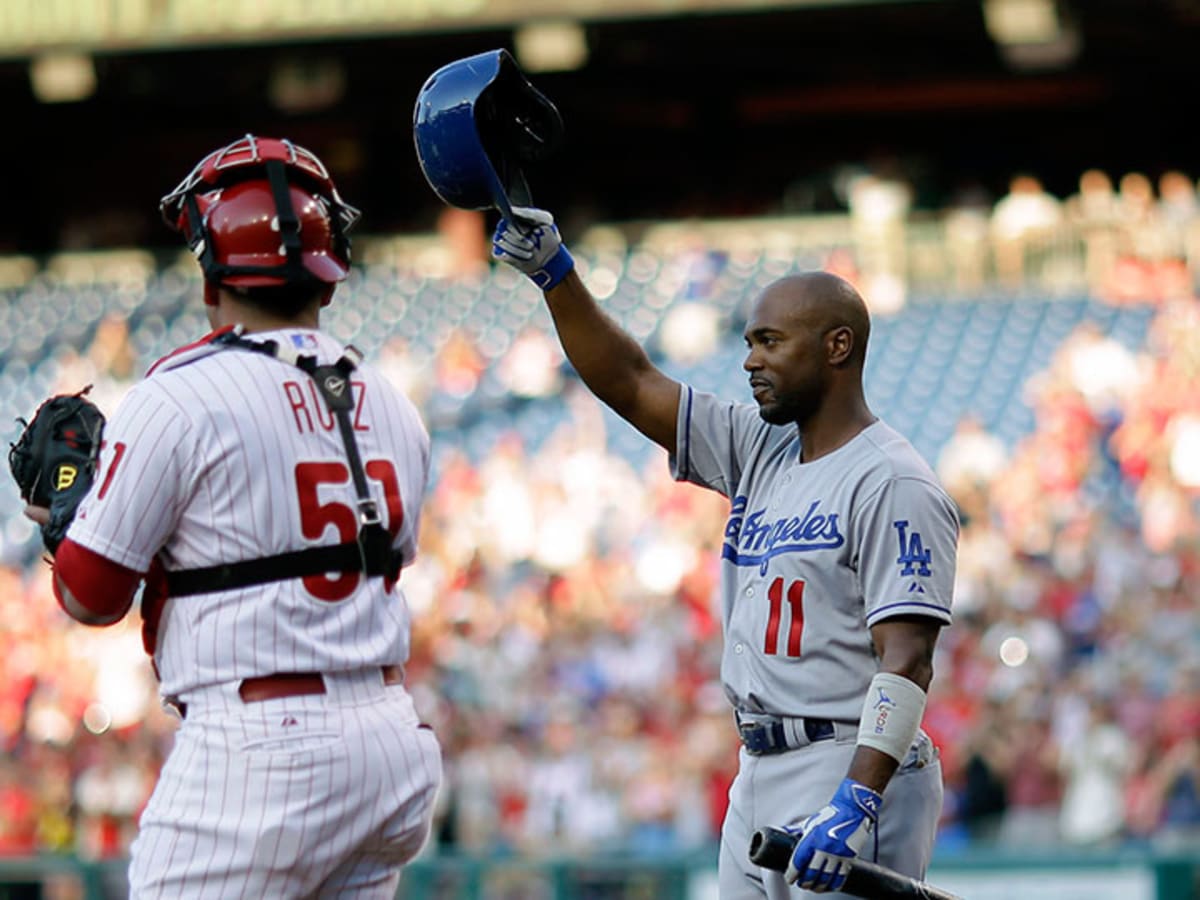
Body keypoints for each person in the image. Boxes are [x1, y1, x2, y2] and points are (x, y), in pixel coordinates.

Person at [491, 209, 958, 897]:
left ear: (836, 346)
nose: (750, 360)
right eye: (748, 341)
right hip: (758, 768)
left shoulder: (893, 481)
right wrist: (555, 275)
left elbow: (908, 657)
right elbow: (631, 382)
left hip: (849, 763)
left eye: (770, 341)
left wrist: (859, 796)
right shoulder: (760, 445)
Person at [24, 134, 441, 898]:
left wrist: (63, 510)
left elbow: (90, 596)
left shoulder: (177, 395)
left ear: (212, 273)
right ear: (330, 275)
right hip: (388, 738)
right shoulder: (393, 401)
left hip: (262, 751)